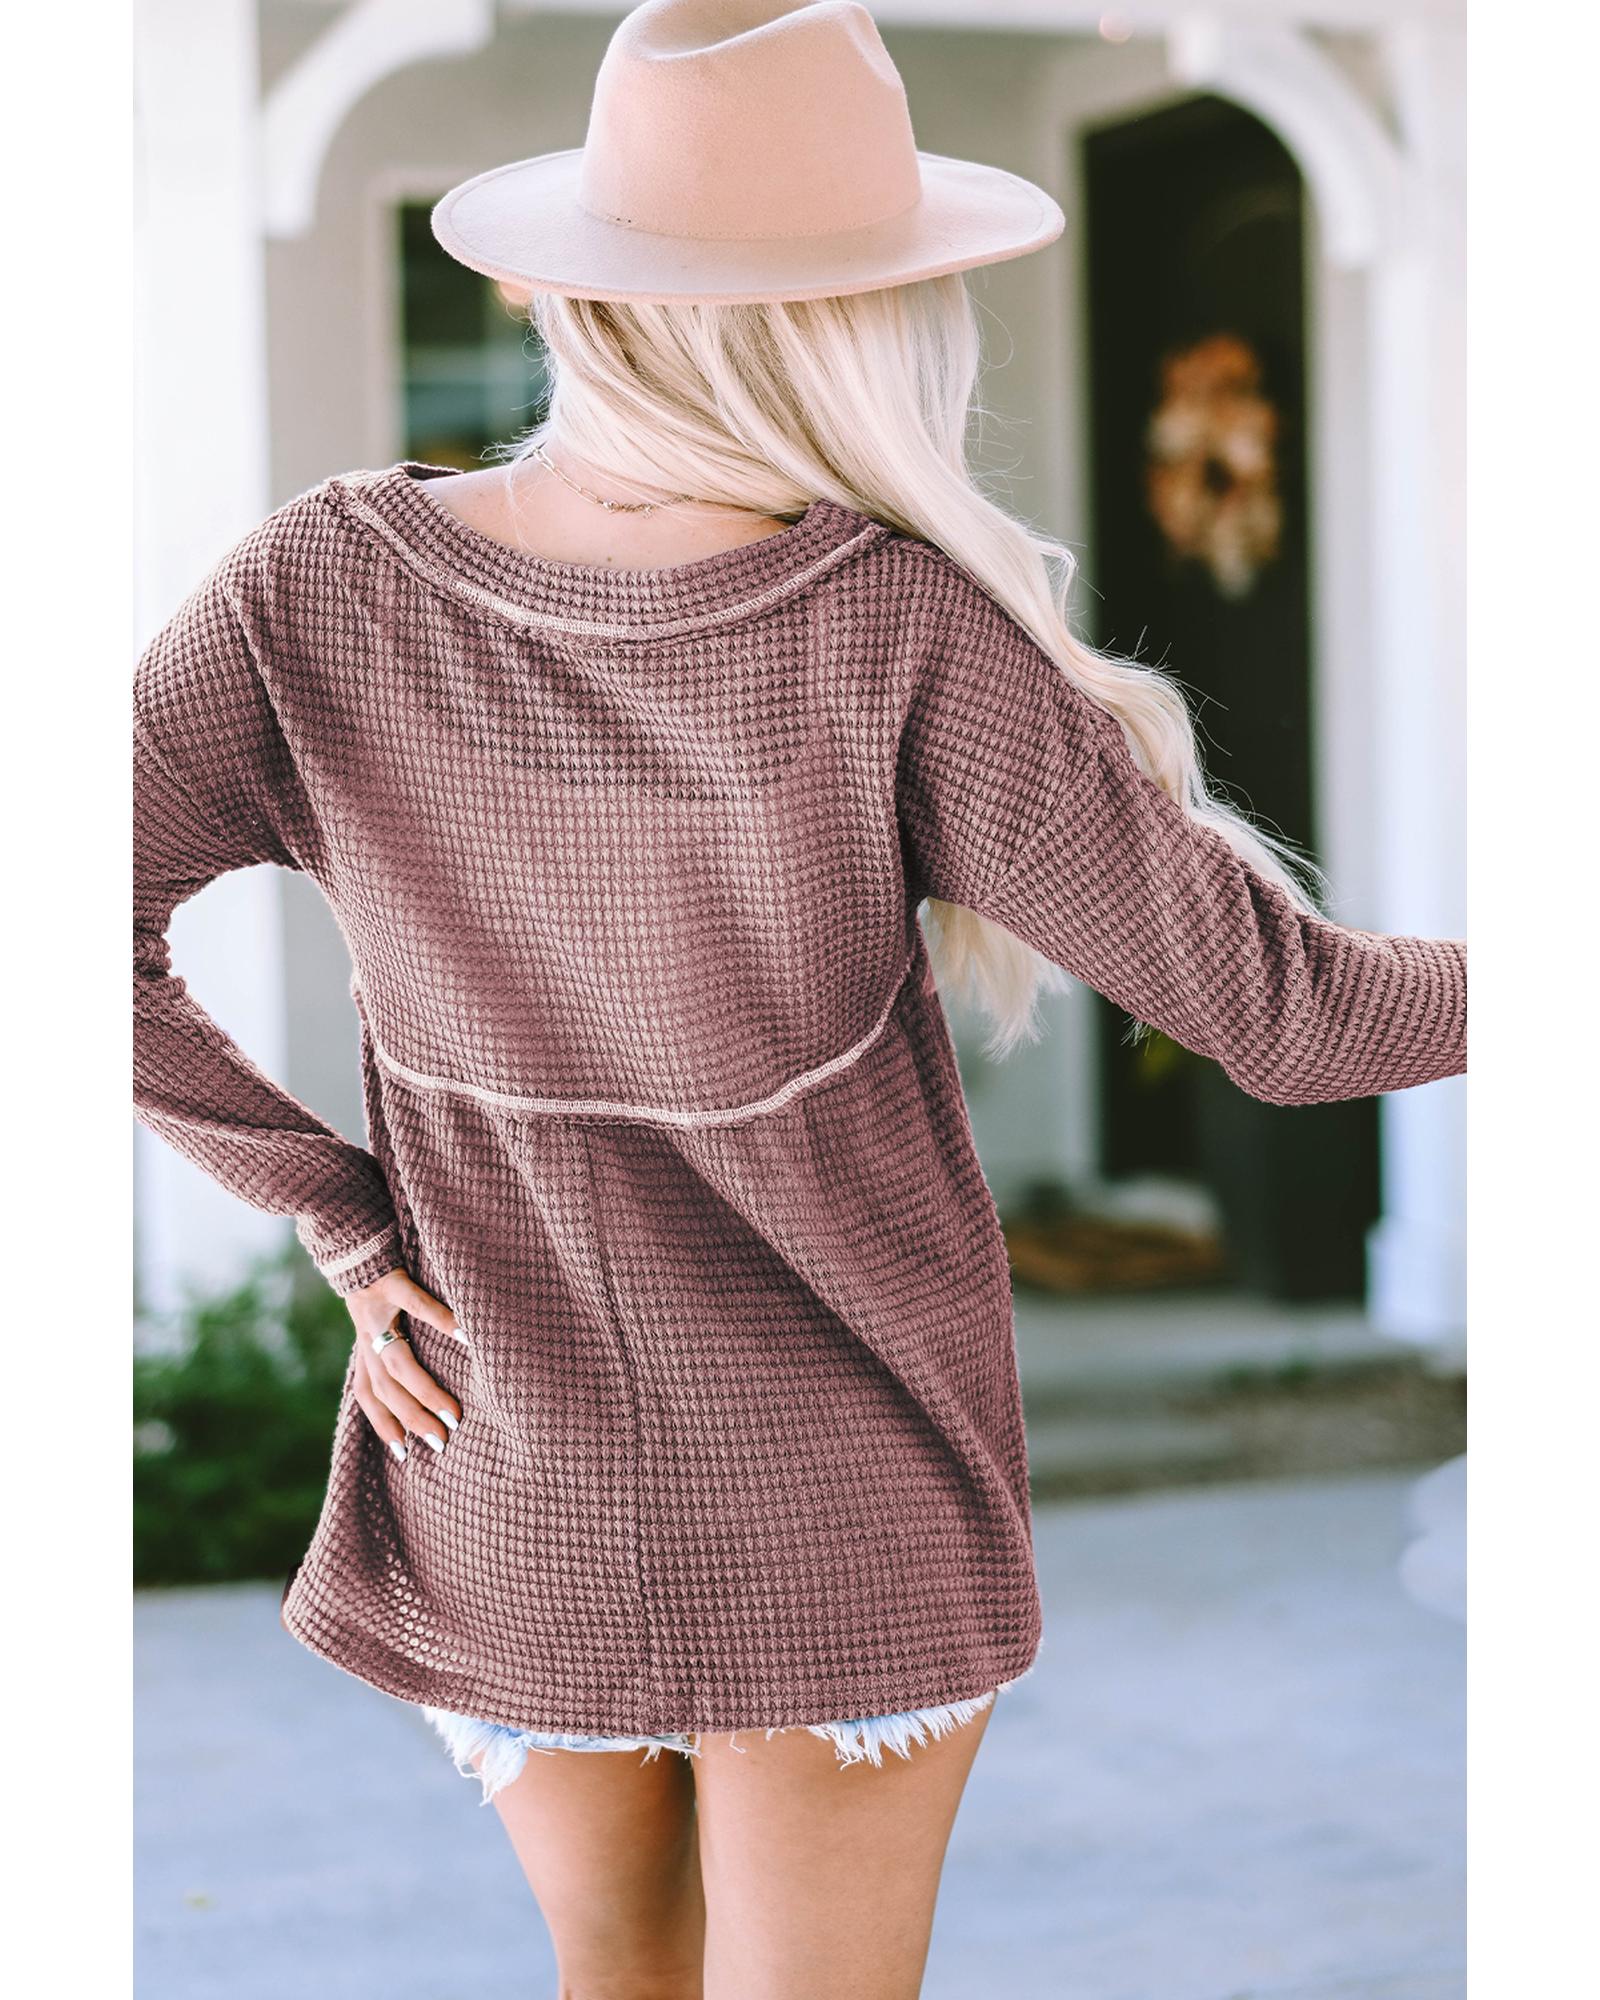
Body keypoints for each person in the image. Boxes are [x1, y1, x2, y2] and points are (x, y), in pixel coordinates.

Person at [131, 3, 1467, 1994]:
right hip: (833, 1474)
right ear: (871, 321)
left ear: (581, 292)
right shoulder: (895, 631)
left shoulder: (316, 585)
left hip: (502, 1445)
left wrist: (338, 1213)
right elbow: (1290, 1016)